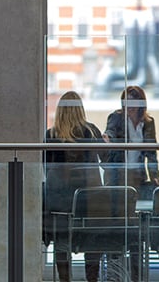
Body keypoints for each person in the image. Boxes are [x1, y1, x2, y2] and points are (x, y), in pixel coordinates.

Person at [102, 85, 159, 282]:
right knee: (117, 226)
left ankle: (136, 276)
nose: (129, 106)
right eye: (126, 101)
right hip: (118, 177)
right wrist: (107, 139)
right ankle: (114, 274)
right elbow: (110, 132)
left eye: (133, 102)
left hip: (137, 177)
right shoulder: (116, 117)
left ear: (141, 104)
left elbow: (151, 153)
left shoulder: (148, 123)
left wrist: (155, 176)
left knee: (136, 229)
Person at [43, 91, 104, 282]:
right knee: (92, 243)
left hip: (60, 203)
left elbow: (46, 168)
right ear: (80, 110)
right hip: (89, 201)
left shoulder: (50, 135)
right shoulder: (91, 132)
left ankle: (64, 280)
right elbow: (106, 159)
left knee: (62, 243)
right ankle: (92, 279)